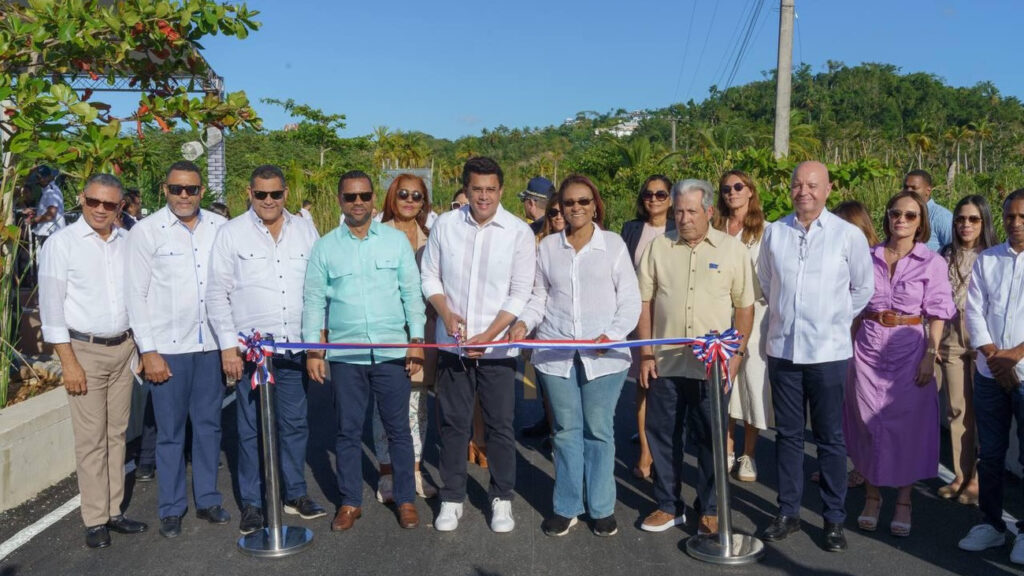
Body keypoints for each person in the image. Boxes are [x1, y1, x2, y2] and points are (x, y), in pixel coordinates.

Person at [510, 175, 640, 537]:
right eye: (569, 203)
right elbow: (539, 297)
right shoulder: (548, 247)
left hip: (605, 357)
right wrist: (524, 323)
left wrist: (612, 336)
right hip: (556, 353)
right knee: (566, 432)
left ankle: (600, 507)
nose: (576, 208)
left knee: (599, 431)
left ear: (595, 205)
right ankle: (566, 506)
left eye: (584, 202)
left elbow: (629, 299)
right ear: (560, 208)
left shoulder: (613, 245)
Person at [757, 161, 874, 552]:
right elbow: (766, 282)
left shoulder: (847, 236)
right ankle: (788, 512)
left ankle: (833, 520)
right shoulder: (775, 233)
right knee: (788, 436)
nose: (803, 191)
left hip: (828, 353)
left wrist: (835, 319)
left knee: (829, 439)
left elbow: (863, 288)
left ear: (828, 190)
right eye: (796, 184)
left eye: (812, 184)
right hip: (784, 350)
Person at [206, 164, 326, 535]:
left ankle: (295, 493)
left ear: (286, 193)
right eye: (261, 194)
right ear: (249, 192)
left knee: (295, 424)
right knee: (249, 429)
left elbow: (318, 288)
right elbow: (216, 292)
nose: (269, 201)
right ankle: (254, 504)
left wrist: (316, 346)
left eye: (275, 194)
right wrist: (228, 347)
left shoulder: (305, 230)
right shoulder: (231, 233)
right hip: (251, 352)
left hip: (294, 347)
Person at [304, 170, 426, 532]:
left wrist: (416, 342)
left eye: (364, 196)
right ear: (340, 201)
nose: (357, 202)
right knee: (347, 431)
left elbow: (411, 294)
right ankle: (349, 501)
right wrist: (314, 350)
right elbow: (313, 301)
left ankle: (405, 499)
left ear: (374, 199)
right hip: (346, 357)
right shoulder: (325, 246)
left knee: (399, 430)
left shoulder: (394, 242)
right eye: (350, 197)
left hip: (391, 352)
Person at [420, 156, 535, 533]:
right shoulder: (446, 226)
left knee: (501, 425)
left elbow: (520, 293)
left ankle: (501, 498)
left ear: (500, 190)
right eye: (476, 189)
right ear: (465, 190)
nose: (483, 196)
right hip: (453, 347)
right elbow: (430, 278)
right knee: (453, 425)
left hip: (498, 349)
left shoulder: (518, 232)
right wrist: (446, 313)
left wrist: (490, 335)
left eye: (490, 189)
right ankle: (452, 497)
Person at [636, 178, 754, 537]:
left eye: (691, 211)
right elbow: (645, 302)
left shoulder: (733, 251)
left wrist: (737, 353)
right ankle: (668, 506)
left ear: (708, 211)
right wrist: (645, 353)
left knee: (711, 439)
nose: (684, 218)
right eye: (679, 211)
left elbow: (744, 307)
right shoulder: (659, 247)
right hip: (666, 362)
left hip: (712, 366)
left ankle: (711, 510)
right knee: (663, 434)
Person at [38, 173, 148, 549]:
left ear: (121, 206)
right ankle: (95, 518)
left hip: (123, 349)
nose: (100, 210)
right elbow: (51, 309)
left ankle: (115, 510)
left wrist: (140, 348)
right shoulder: (61, 244)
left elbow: (138, 295)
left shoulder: (128, 241)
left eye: (109, 204)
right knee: (90, 440)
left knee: (117, 434)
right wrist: (68, 363)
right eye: (93, 202)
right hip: (83, 350)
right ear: (82, 200)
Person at [126, 160, 229, 538]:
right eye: (176, 189)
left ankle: (208, 499)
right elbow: (135, 295)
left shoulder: (221, 229)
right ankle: (171, 508)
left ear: (202, 191)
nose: (183, 196)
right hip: (168, 349)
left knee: (208, 427)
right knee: (169, 433)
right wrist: (148, 351)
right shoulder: (147, 232)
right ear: (164, 190)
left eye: (191, 189)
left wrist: (229, 344)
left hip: (212, 346)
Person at [844, 191, 955, 537]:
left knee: (906, 425)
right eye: (895, 213)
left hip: (910, 348)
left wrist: (929, 355)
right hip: (868, 346)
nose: (901, 220)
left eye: (910, 215)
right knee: (865, 422)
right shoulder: (869, 255)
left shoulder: (932, 262)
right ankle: (873, 496)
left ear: (921, 221)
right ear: (887, 217)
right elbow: (854, 303)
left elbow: (938, 312)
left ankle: (904, 500)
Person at [957, 189, 1024, 563]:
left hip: (1022, 371)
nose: (1016, 224)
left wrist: (1014, 355)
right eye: (1011, 217)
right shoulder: (988, 259)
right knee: (992, 454)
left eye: (1022, 217)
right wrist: (992, 355)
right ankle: (991, 524)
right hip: (989, 373)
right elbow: (974, 309)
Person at [372, 173, 439, 502]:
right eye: (403, 194)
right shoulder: (376, 234)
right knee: (385, 405)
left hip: (422, 328)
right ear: (391, 198)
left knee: (417, 405)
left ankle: (413, 469)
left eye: (417, 196)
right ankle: (386, 474)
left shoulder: (432, 237)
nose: (410, 201)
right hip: (383, 328)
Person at [935, 196, 997, 506]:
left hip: (984, 334)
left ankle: (977, 478)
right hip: (950, 333)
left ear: (984, 222)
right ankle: (961, 473)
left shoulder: (994, 255)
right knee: (957, 407)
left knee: (986, 411)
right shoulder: (945, 254)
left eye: (973, 219)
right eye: (961, 218)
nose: (966, 224)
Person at [713, 169, 771, 483]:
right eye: (725, 189)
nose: (732, 192)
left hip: (758, 314)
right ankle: (727, 447)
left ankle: (749, 454)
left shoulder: (767, 231)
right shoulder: (715, 229)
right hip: (721, 315)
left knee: (752, 384)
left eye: (738, 186)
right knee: (723, 381)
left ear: (750, 190)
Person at [620, 174, 676, 481]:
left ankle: (663, 447)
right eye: (648, 194)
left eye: (660, 194)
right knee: (642, 385)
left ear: (670, 198)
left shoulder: (678, 229)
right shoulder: (631, 229)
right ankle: (645, 450)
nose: (653, 199)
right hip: (637, 318)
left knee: (666, 388)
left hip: (670, 319)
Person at [903, 170, 953, 253]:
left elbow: (956, 248)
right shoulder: (899, 215)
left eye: (914, 188)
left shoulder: (941, 216)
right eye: (905, 187)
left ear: (928, 191)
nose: (908, 191)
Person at [29, 165, 66, 244]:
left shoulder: (51, 192)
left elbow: (50, 214)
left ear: (49, 177)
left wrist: (32, 220)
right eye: (38, 177)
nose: (39, 180)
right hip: (48, 232)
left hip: (50, 233)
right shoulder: (47, 191)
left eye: (40, 177)